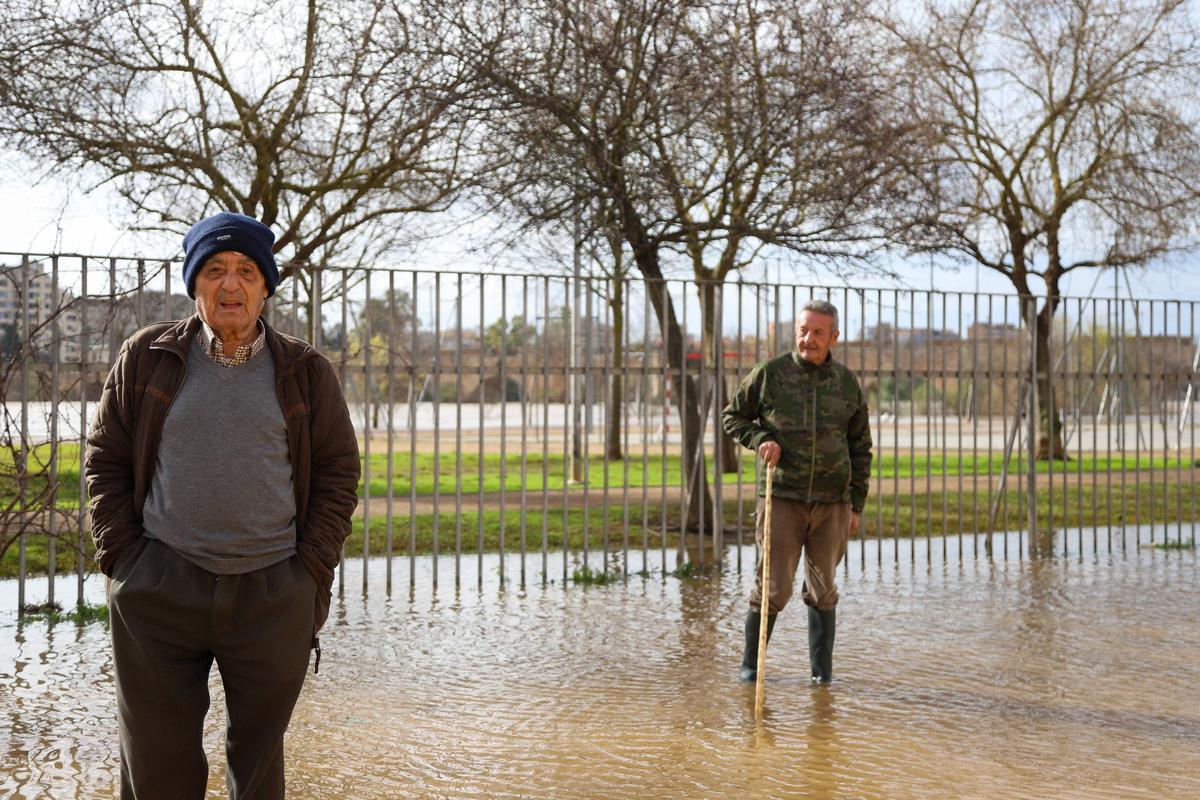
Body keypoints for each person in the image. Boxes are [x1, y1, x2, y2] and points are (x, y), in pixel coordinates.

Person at [85, 211, 361, 798]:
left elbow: (340, 472)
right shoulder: (146, 357)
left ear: (265, 286)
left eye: (245, 272)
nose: (230, 285)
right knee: (157, 773)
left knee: (259, 774)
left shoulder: (306, 371)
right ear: (194, 284)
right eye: (214, 270)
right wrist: (125, 561)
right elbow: (105, 459)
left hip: (271, 593)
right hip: (160, 585)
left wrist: (308, 570)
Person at [721, 299, 872, 685]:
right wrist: (760, 438)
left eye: (818, 332)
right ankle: (751, 671)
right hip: (782, 498)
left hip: (832, 504)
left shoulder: (846, 383)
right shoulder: (769, 374)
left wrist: (855, 503)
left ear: (834, 337)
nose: (808, 339)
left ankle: (822, 678)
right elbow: (732, 416)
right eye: (803, 330)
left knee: (823, 589)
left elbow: (860, 446)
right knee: (773, 587)